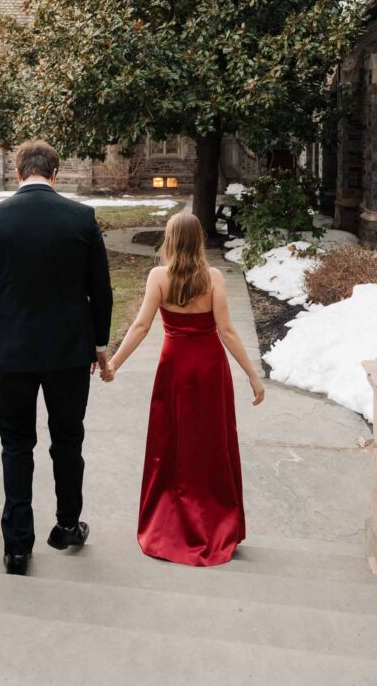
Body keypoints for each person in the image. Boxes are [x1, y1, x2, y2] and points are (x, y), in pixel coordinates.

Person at [0, 139, 113, 576]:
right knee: (68, 440)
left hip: (14, 351)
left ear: (17, 173)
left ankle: (17, 548)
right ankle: (67, 524)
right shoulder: (81, 218)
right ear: (56, 173)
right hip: (69, 352)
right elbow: (101, 291)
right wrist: (99, 346)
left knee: (16, 445)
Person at [101, 211, 264, 567]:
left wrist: (114, 362)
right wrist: (252, 374)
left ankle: (169, 524)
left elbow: (142, 326)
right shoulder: (214, 277)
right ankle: (216, 524)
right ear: (199, 241)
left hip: (174, 367)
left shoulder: (159, 277)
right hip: (208, 368)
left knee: (170, 445)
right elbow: (227, 331)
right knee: (211, 445)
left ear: (170, 240)